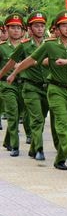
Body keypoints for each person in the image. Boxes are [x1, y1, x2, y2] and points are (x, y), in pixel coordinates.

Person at [9, 10, 67, 170]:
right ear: (57, 28)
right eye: (64, 26)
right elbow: (31, 59)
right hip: (55, 89)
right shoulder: (49, 45)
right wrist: (14, 73)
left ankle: (60, 159)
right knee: (61, 122)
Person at [0, 11, 52, 161]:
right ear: (29, 29)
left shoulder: (50, 45)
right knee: (14, 115)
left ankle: (33, 146)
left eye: (42, 26)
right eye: (36, 26)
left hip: (42, 87)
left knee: (38, 118)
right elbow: (10, 63)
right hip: (18, 86)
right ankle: (19, 146)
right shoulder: (21, 46)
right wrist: (8, 74)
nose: (40, 29)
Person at [0, 13, 29, 156]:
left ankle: (7, 140)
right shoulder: (2, 47)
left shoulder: (26, 47)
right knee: (12, 113)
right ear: (7, 29)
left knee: (19, 114)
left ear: (23, 30)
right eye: (13, 27)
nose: (16, 30)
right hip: (7, 85)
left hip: (23, 84)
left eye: (19, 27)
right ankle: (14, 145)